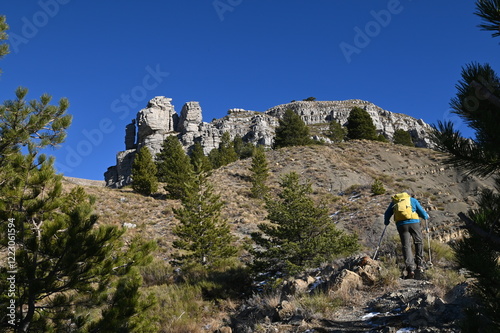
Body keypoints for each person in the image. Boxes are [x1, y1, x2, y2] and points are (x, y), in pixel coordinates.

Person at [384, 192, 429, 279]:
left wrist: (386, 222)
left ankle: (410, 269)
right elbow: (421, 212)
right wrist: (425, 216)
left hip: (401, 225)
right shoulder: (412, 200)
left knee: (406, 246)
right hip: (414, 223)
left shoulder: (395, 202)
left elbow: (387, 214)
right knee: (418, 241)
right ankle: (419, 264)